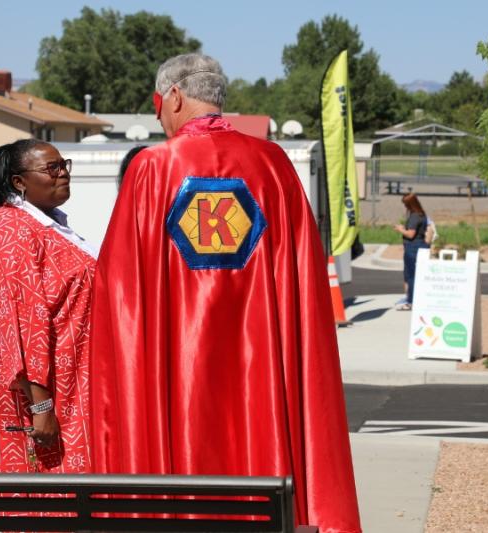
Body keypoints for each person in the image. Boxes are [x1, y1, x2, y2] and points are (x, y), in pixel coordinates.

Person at [89, 53, 361, 533]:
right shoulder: (273, 164)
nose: (160, 118)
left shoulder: (151, 169)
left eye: (158, 106)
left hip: (176, 371)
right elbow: (304, 278)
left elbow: (120, 294)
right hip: (261, 365)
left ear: (174, 96)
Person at [0, 139, 97, 475]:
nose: (63, 173)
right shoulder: (8, 231)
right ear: (18, 182)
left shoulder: (45, 225)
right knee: (50, 495)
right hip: (46, 395)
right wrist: (41, 406)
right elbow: (20, 328)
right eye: (51, 168)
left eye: (64, 164)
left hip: (73, 382)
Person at [393, 192, 430, 310]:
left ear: (411, 204)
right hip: (422, 245)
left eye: (406, 204)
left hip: (413, 248)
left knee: (411, 276)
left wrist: (400, 229)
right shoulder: (422, 215)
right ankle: (416, 299)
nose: (405, 207)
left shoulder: (414, 216)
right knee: (418, 275)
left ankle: (411, 301)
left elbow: (411, 234)